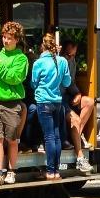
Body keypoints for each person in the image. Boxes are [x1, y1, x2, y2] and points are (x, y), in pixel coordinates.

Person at [0, 21, 30, 186]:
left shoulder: (21, 58)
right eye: (4, 37)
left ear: (17, 39)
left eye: (9, 38)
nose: (5, 41)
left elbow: (14, 78)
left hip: (12, 104)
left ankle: (11, 171)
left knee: (11, 139)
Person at [31, 33, 72, 180]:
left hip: (43, 101)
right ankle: (56, 171)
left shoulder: (38, 63)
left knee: (48, 137)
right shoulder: (62, 61)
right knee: (56, 137)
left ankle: (49, 171)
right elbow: (67, 83)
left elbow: (33, 83)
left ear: (42, 47)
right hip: (58, 103)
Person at [61, 39, 96, 175]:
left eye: (74, 55)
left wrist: (77, 94)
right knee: (75, 119)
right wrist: (76, 92)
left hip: (69, 95)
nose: (71, 58)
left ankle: (77, 135)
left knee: (89, 102)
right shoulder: (59, 62)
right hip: (59, 98)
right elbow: (66, 81)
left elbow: (71, 81)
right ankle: (80, 156)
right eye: (68, 55)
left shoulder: (72, 61)